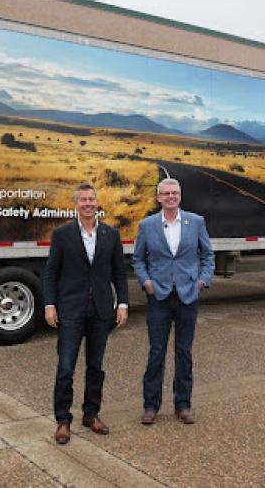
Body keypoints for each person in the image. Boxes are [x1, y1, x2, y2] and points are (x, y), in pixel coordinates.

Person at [43, 183, 129, 445]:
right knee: (66, 368)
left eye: (91, 199)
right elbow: (51, 273)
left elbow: (119, 273)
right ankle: (62, 420)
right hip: (71, 311)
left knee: (96, 367)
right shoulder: (62, 235)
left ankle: (91, 415)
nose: (88, 204)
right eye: (83, 200)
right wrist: (49, 305)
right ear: (75, 204)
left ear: (97, 203)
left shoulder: (110, 234)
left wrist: (122, 304)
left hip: (101, 311)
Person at [132, 177, 214, 425]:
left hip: (188, 295)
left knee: (184, 352)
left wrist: (202, 280)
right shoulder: (147, 226)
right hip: (159, 297)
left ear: (180, 196)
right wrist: (146, 282)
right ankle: (150, 405)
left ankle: (183, 405)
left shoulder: (196, 222)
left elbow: (208, 255)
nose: (170, 197)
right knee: (156, 352)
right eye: (166, 193)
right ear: (158, 198)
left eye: (174, 193)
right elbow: (137, 259)